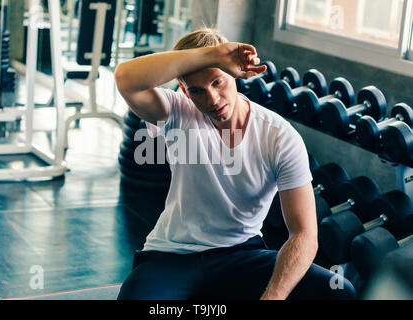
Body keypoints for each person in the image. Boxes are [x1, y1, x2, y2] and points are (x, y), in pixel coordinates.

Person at [114, 28, 356, 300]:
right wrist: (214, 54)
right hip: (173, 257)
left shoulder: (279, 137)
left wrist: (272, 298)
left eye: (217, 82)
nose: (212, 100)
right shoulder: (178, 113)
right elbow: (125, 78)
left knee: (338, 292)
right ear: (184, 89)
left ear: (233, 73)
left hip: (242, 254)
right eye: (197, 90)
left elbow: (304, 234)